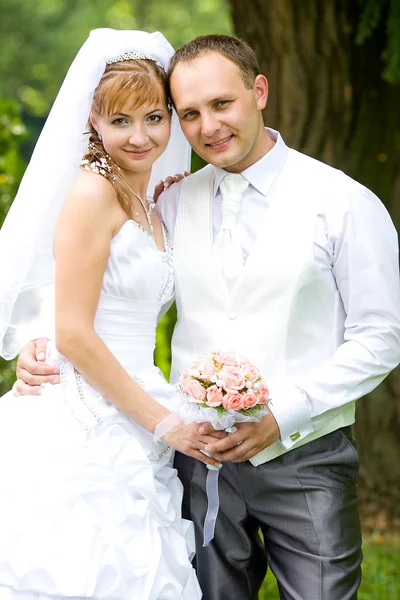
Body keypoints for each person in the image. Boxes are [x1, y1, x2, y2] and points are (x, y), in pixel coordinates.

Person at [14, 34, 400, 600]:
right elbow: (83, 279)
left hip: (305, 457)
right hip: (195, 460)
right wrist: (40, 341)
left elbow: (382, 337)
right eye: (190, 113)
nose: (208, 127)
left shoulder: (343, 202)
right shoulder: (168, 200)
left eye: (222, 104)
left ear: (259, 91)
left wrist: (283, 415)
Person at [0, 28, 225, 600]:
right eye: (119, 120)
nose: (140, 136)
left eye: (154, 117)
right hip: (81, 414)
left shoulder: (151, 198)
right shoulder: (92, 193)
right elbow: (73, 332)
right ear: (93, 122)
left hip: (134, 392)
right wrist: (163, 421)